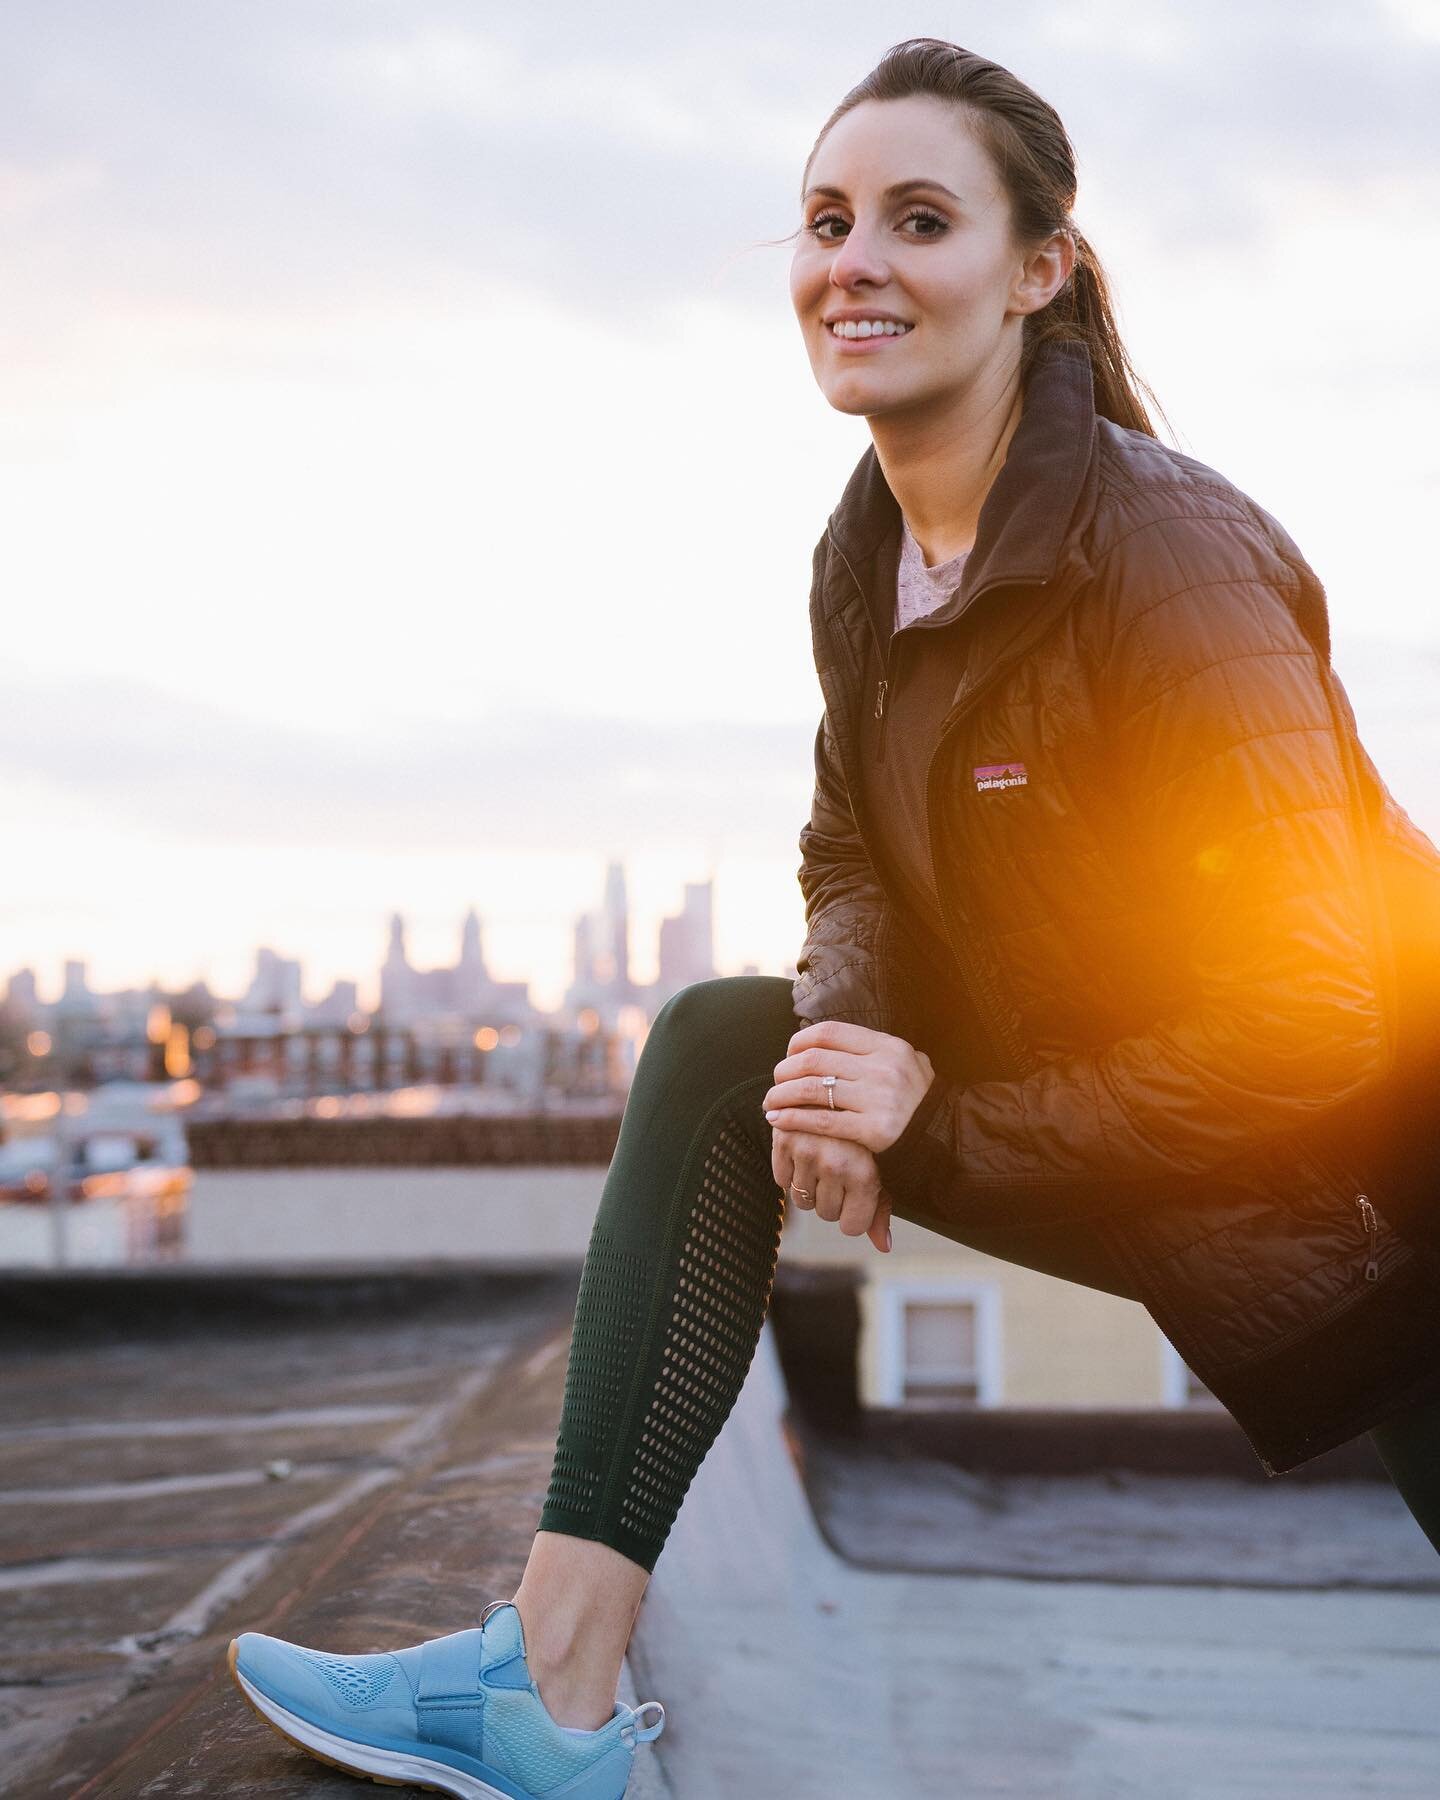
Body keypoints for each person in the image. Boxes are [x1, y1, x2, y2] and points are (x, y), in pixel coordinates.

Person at [225, 36, 1440, 1799]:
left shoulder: (1170, 556)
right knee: (732, 1047)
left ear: (1041, 270)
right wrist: (843, 1061)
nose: (852, 260)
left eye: (919, 218)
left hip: (1381, 1195)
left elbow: (1318, 1014)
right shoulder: (866, 547)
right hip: (1176, 1131)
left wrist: (934, 1113)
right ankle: (551, 1691)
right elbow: (850, 847)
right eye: (824, 219)